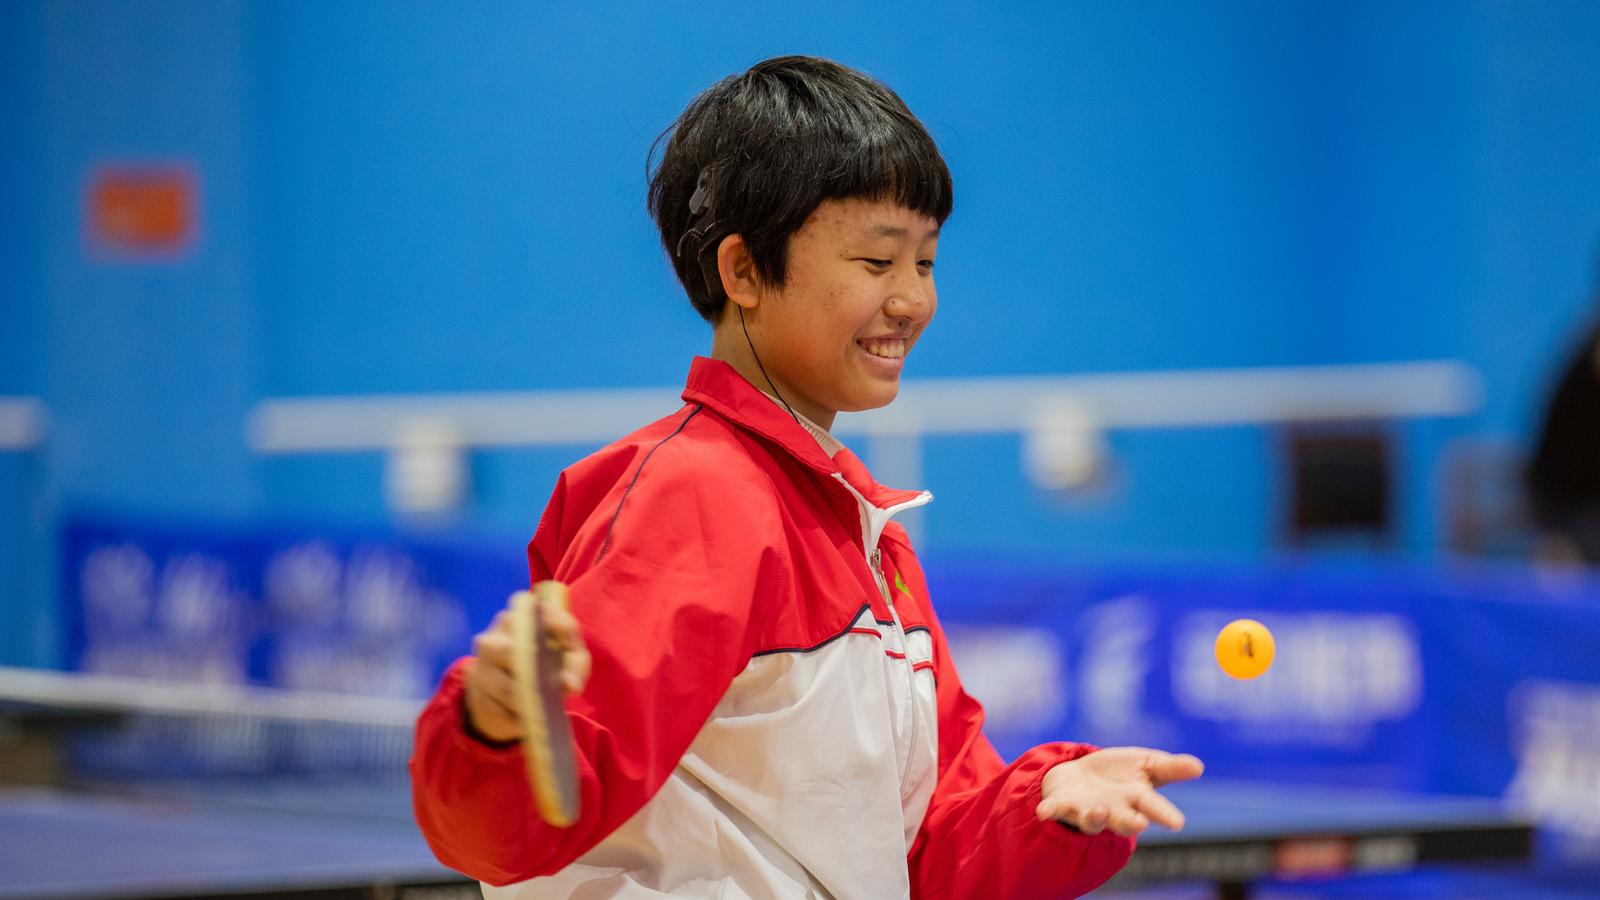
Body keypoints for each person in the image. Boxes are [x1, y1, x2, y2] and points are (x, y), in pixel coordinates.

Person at [410, 55, 1203, 899]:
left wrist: (1047, 804)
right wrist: (494, 731)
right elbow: (512, 829)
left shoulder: (873, 544)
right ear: (744, 271)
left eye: (926, 262)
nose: (912, 301)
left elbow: (928, 847)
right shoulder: (696, 496)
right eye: (876, 261)